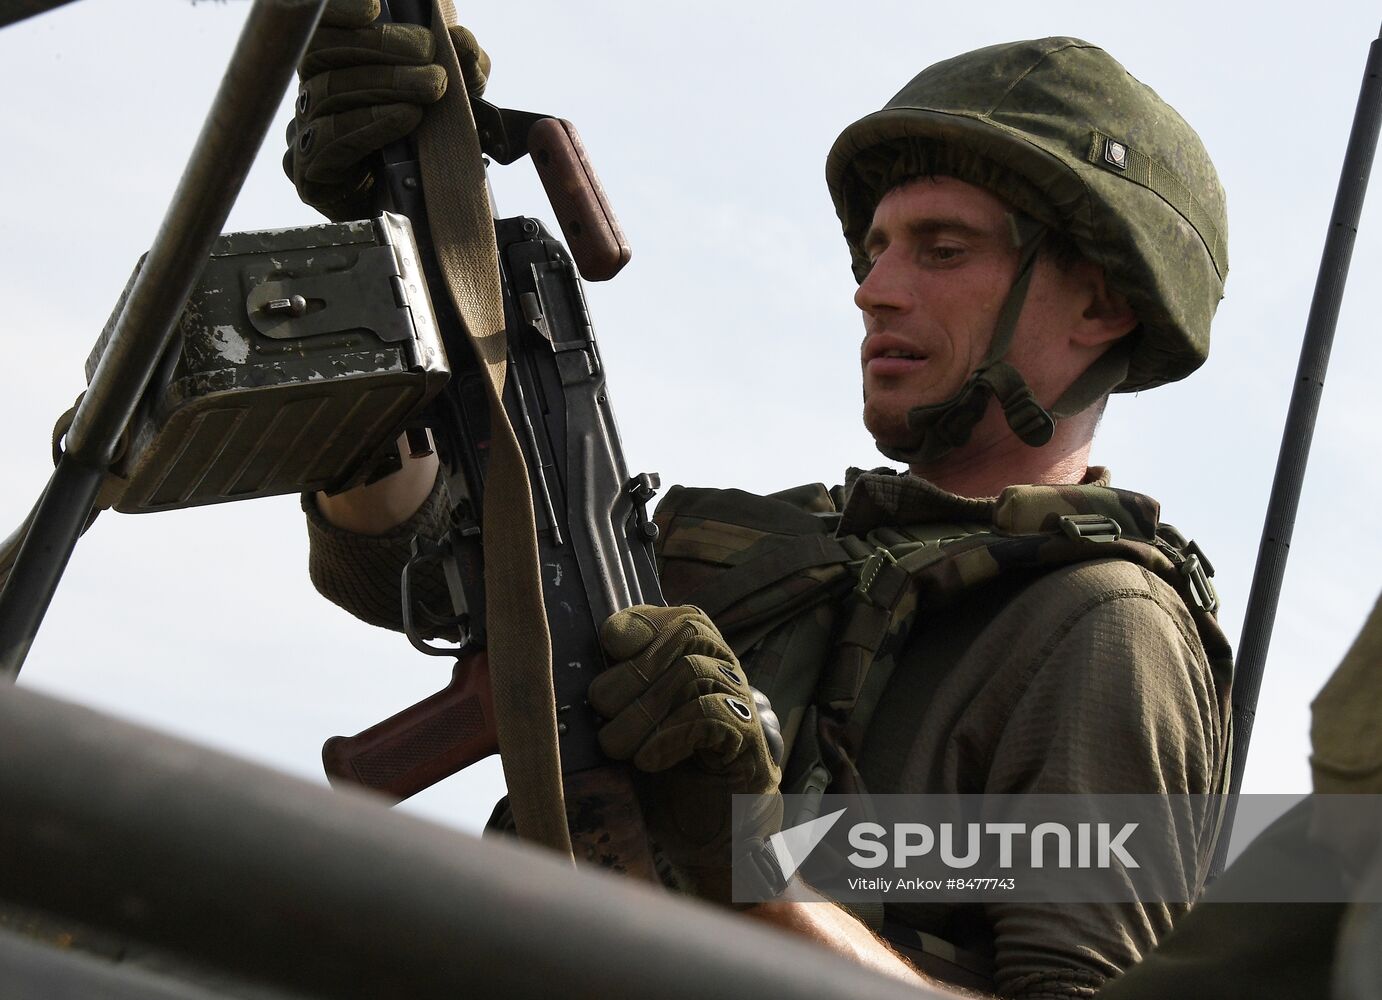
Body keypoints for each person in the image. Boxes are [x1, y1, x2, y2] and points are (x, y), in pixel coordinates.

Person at [287, 6, 1233, 995]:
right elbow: (422, 556)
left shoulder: (1101, 630)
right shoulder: (750, 558)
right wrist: (401, 242)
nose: (875, 289)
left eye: (941, 249)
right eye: (874, 250)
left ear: (1100, 303)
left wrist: (750, 866)